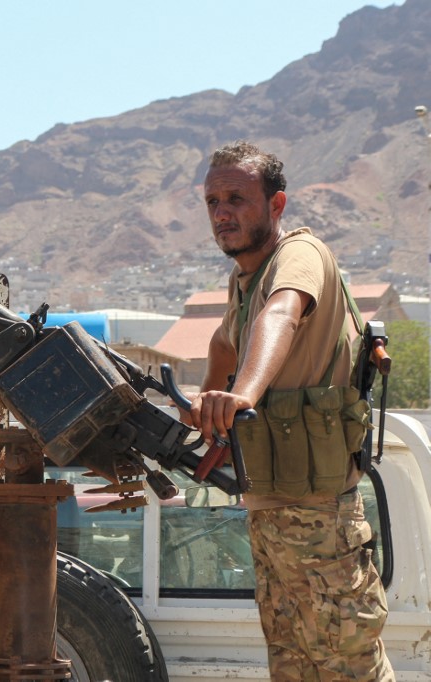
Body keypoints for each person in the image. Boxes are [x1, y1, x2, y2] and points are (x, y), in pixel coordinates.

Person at [188, 140, 393, 679]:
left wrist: (243, 395)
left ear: (276, 205)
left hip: (320, 519)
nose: (222, 213)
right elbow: (226, 343)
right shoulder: (243, 280)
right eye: (212, 202)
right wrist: (201, 413)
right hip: (273, 516)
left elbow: (281, 315)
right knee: (295, 667)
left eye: (237, 198)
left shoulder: (298, 256)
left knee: (349, 669)